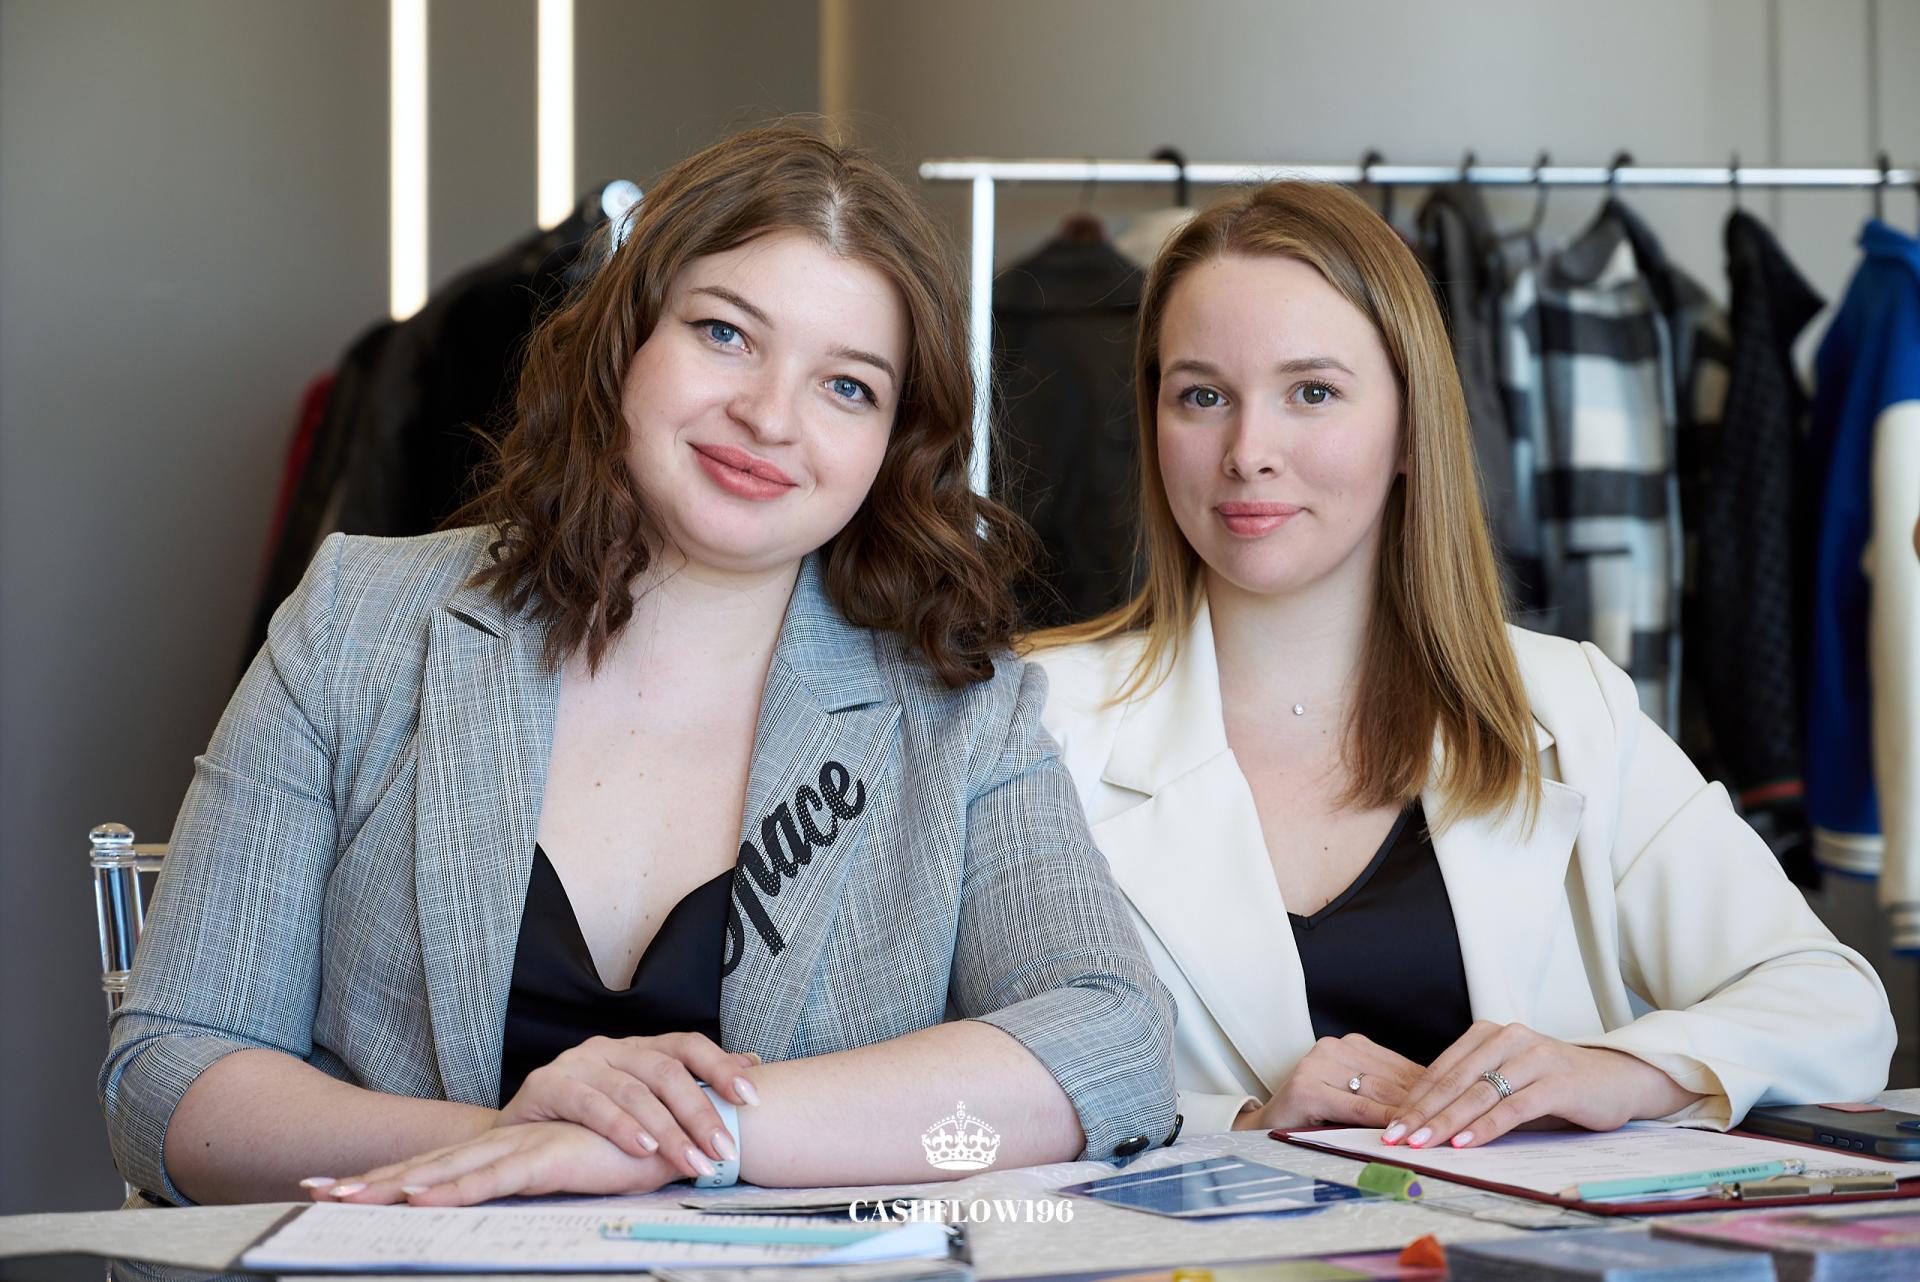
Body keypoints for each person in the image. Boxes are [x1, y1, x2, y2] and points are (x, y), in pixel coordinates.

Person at [100, 124, 1177, 1208]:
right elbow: (169, 1077)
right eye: (724, 333)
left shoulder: (956, 707)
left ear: (898, 443)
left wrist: (703, 1135)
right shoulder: (358, 624)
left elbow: (1115, 1045)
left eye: (848, 386)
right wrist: (508, 1140)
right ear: (626, 339)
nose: (768, 416)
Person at [1028, 180, 1895, 1148]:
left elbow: (1837, 1005)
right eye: (1202, 395)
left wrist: (1617, 1071)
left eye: (1311, 392)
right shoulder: (1037, 723)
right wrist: (1233, 1121)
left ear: (1411, 428)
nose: (1248, 451)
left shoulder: (1568, 707)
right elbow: (954, 1086)